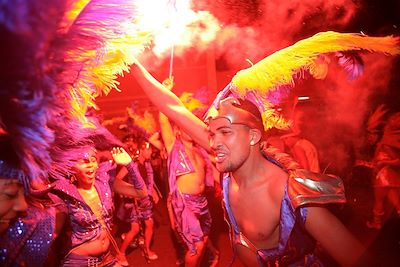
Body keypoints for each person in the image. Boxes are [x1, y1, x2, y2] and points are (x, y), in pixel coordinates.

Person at [128, 56, 366, 266]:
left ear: (252, 136)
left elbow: (360, 258)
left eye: (225, 132)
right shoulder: (232, 160)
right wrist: (132, 63)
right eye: (211, 133)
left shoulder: (287, 193)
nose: (212, 143)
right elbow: (173, 108)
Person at [49, 137, 148, 267]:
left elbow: (141, 193)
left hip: (106, 258)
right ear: (73, 168)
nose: (90, 164)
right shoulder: (65, 194)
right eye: (84, 161)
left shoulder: (105, 183)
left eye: (93, 160)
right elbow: (54, 234)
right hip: (79, 262)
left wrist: (129, 164)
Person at [156, 86, 218, 267]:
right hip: (185, 204)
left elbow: (215, 175)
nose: (190, 130)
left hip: (202, 202)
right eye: (185, 127)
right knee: (195, 247)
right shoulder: (173, 148)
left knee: (204, 241)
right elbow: (164, 120)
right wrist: (163, 91)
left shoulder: (202, 152)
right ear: (178, 132)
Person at [116, 138, 158, 265]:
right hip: (134, 203)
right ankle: (121, 254)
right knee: (134, 229)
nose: (151, 152)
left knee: (150, 225)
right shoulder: (132, 164)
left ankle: (147, 249)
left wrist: (153, 192)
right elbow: (117, 180)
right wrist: (130, 192)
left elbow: (148, 181)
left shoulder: (147, 164)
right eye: (149, 149)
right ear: (142, 149)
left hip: (145, 202)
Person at [366, 112, 400, 229]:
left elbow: (398, 161)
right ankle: (377, 223)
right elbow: (377, 162)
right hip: (386, 178)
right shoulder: (380, 145)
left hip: (384, 178)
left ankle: (377, 223)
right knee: (396, 204)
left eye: (372, 134)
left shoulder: (385, 145)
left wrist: (384, 163)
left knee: (380, 201)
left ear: (378, 135)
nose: (369, 137)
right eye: (368, 134)